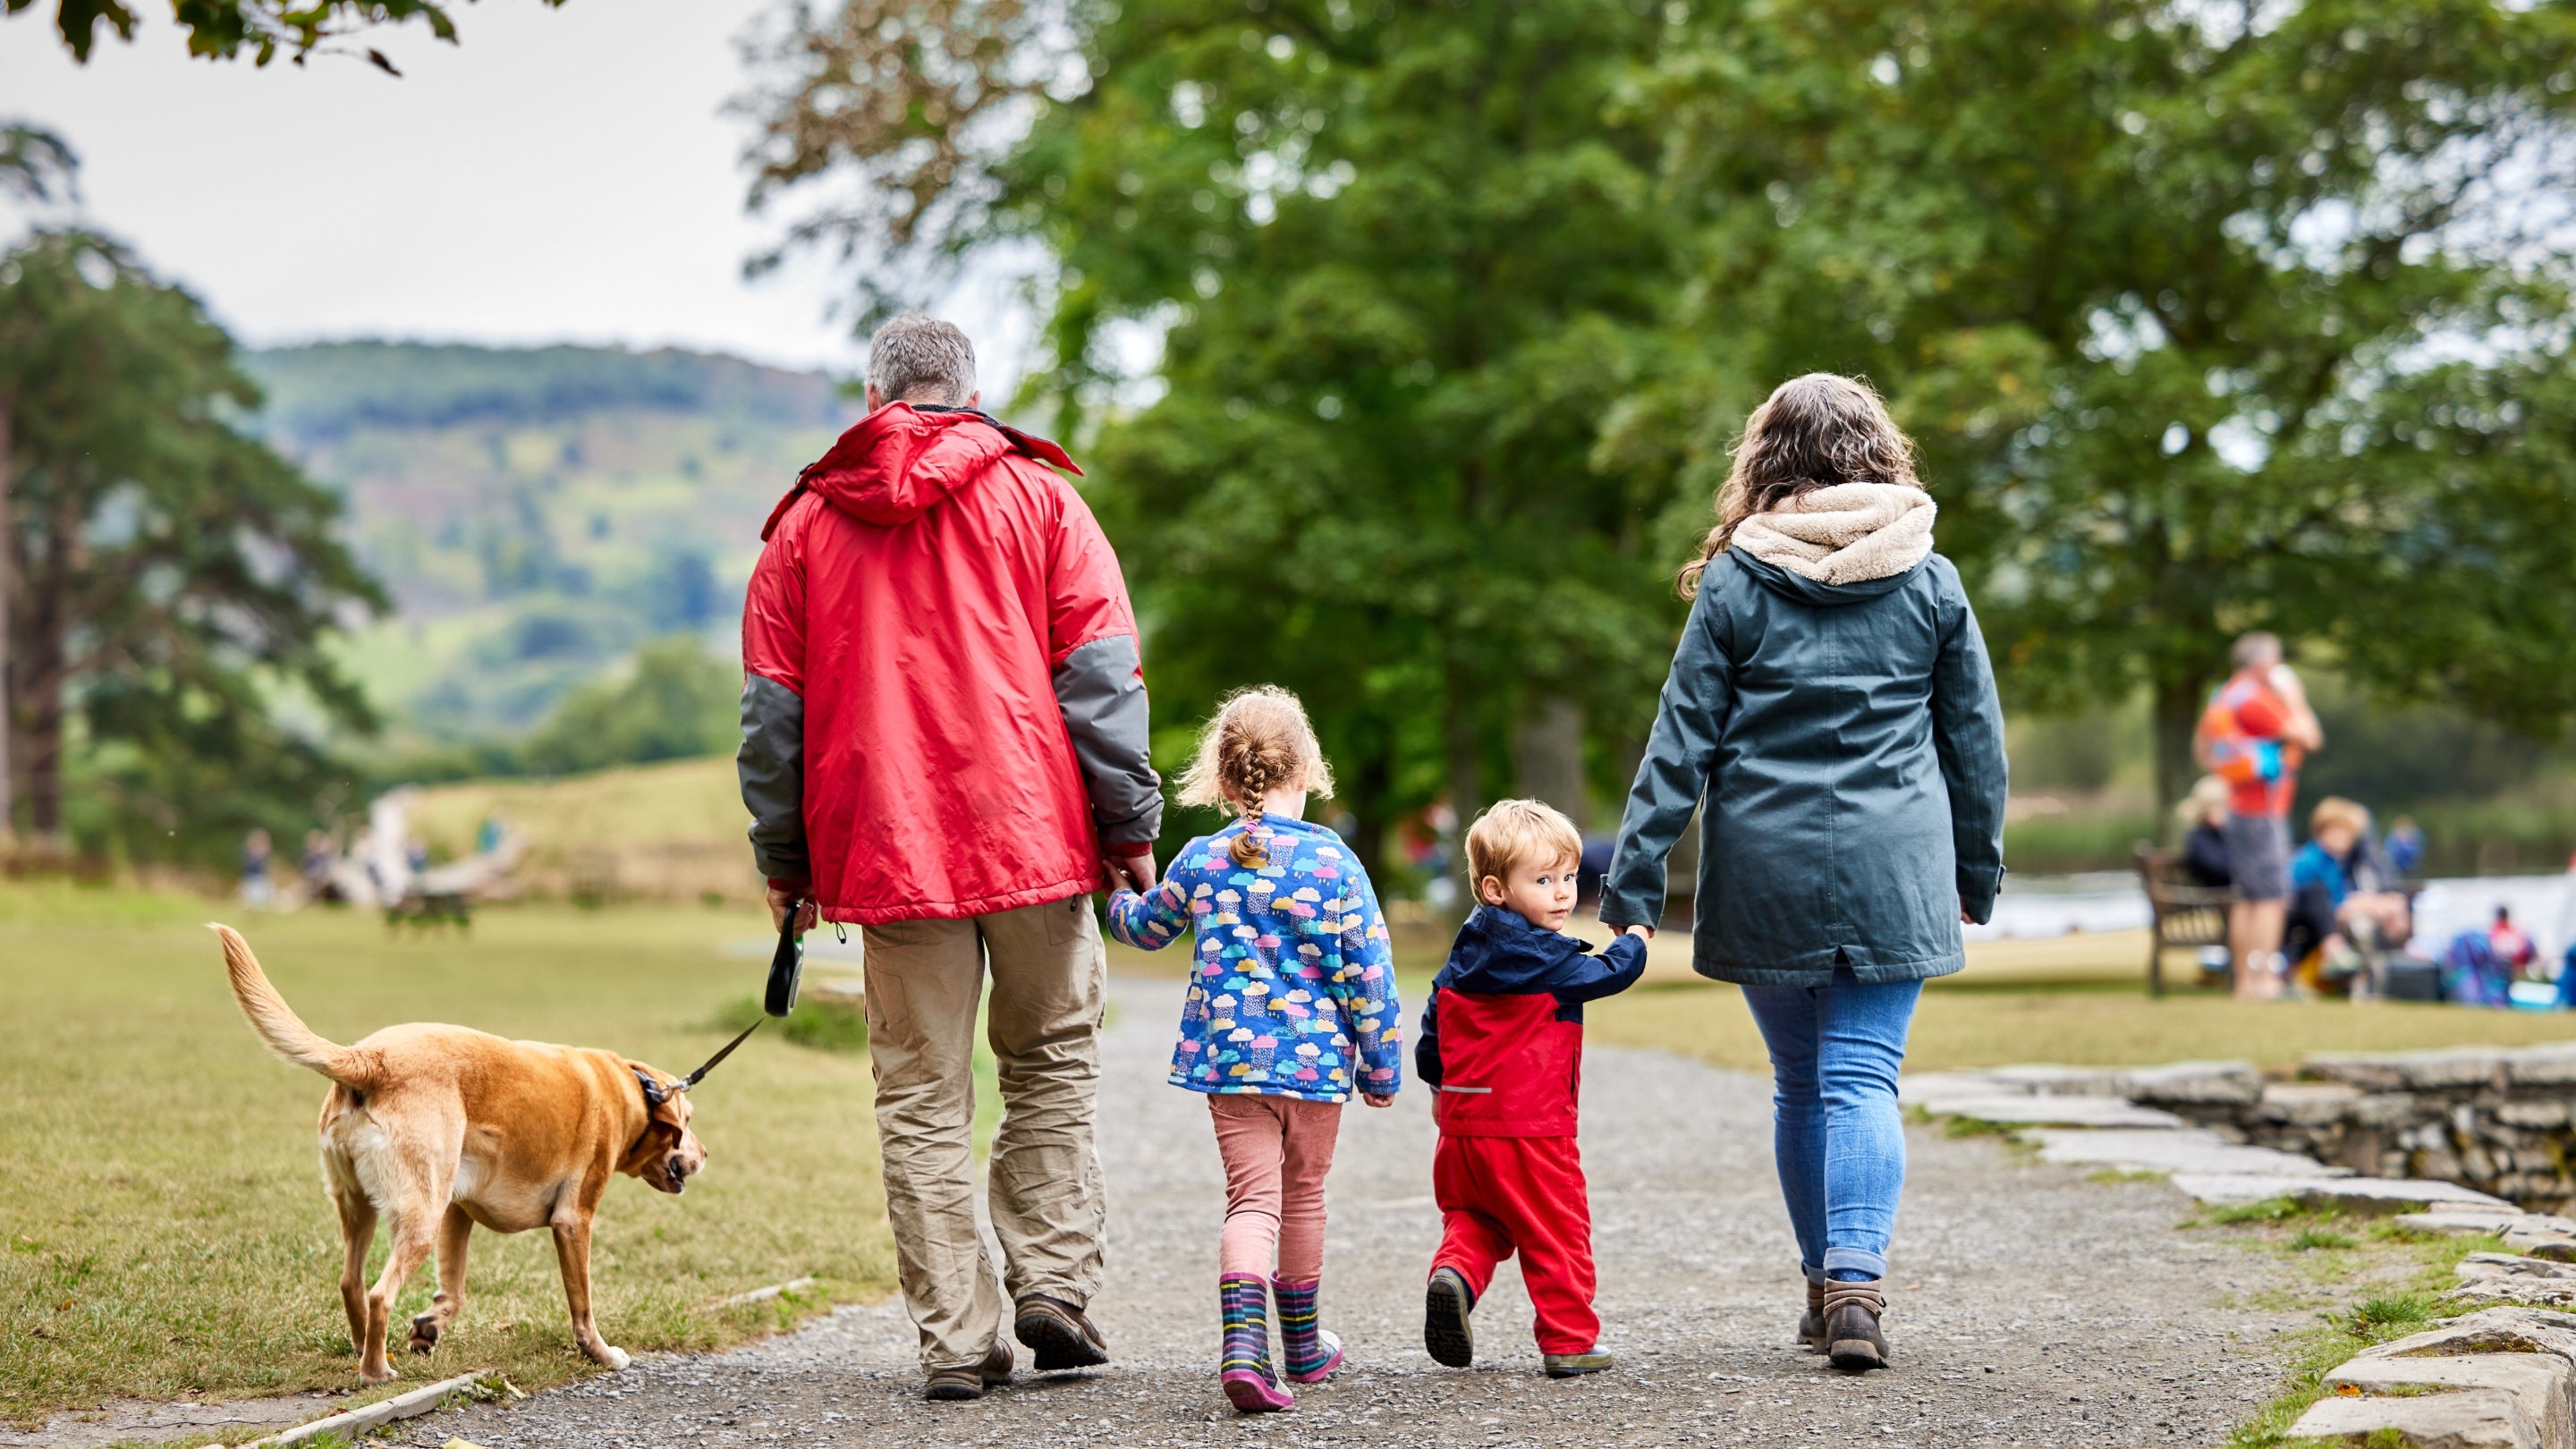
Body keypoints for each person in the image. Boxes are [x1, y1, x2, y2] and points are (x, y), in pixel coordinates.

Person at [737, 313, 1164, 1402]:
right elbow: (1102, 680)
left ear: (878, 394)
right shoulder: (1045, 500)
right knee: (1051, 1066)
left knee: (922, 1097)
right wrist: (1130, 826)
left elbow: (770, 720)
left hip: (888, 850)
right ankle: (1055, 1288)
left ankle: (959, 1342)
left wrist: (787, 860)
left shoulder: (800, 527)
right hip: (1039, 835)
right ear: (967, 390)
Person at [1598, 374, 2008, 1374]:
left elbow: (1679, 743)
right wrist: (1977, 871)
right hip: (1895, 864)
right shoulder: (1930, 577)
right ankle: (1859, 1288)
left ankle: (1824, 1290)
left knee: (1798, 1086)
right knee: (1863, 1075)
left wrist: (1634, 889)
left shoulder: (1738, 579)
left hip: (1766, 862)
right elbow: (1976, 745)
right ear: (1880, 449)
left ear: (1766, 458)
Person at [1103, 687, 1401, 1414]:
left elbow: (1145, 929)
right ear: (1306, 772)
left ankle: (1245, 1352)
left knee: (1252, 1201)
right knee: (1303, 1196)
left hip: (1233, 1070)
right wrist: (1382, 1065)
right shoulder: (1336, 865)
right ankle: (1300, 1346)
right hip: (1316, 1068)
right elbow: (1370, 972)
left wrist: (1113, 896)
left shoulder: (1204, 860)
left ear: (1226, 781)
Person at [1417, 800, 1647, 1380]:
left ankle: (1455, 1278)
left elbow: (1432, 1023)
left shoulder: (1463, 954)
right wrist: (1635, 939)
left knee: (1476, 1218)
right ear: (1495, 888)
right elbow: (1607, 974)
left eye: (1568, 876)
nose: (1564, 892)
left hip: (1463, 1129)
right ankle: (1570, 1338)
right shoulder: (1542, 958)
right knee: (1556, 1228)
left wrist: (1438, 1085)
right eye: (1543, 880)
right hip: (1531, 1130)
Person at [2193, 631, 2324, 999]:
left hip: (2238, 806)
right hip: (2264, 810)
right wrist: (2295, 696)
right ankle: (2263, 979)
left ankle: (2244, 981)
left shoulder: (2225, 693)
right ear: (2264, 663)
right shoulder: (2258, 700)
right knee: (2270, 897)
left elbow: (2202, 748)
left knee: (2247, 896)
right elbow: (2310, 737)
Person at [2284, 796, 2411, 995]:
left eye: (2351, 835)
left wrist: (2373, 904)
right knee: (2317, 893)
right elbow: (2326, 904)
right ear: (2325, 829)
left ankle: (2367, 981)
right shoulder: (2308, 861)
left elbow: (2343, 899)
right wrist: (2366, 905)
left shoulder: (2338, 864)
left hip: (2329, 924)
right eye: (2342, 832)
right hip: (2301, 926)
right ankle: (2336, 955)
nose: (2347, 840)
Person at [2178, 775, 2233, 890]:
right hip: (2217, 898)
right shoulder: (2200, 839)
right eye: (2224, 807)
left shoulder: (2225, 835)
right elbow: (2222, 869)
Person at [239, 828, 275, 908]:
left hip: (260, 880)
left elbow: (265, 870)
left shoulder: (264, 857)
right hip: (252, 879)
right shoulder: (250, 855)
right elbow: (248, 868)